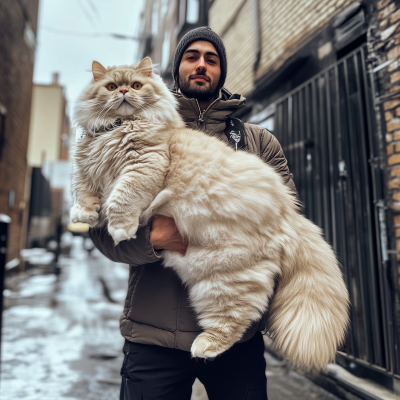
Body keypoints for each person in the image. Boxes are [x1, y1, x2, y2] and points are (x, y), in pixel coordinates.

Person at [89, 27, 295, 400]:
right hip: (151, 338)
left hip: (236, 338)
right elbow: (101, 230)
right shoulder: (133, 132)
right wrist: (151, 239)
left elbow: (285, 228)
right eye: (192, 56)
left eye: (211, 59)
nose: (201, 64)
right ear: (177, 69)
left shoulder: (259, 143)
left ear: (221, 71)